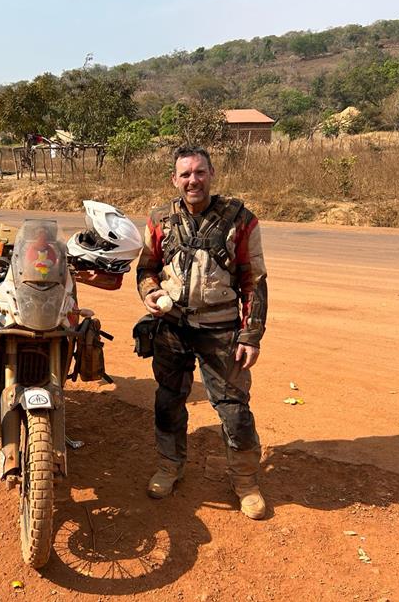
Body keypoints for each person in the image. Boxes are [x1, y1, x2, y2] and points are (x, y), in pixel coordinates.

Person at [135, 146, 268, 519]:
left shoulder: (240, 220)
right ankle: (169, 466)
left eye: (199, 172)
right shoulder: (160, 218)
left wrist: (250, 335)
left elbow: (254, 281)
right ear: (174, 180)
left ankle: (245, 481)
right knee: (168, 401)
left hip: (221, 330)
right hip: (172, 327)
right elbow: (145, 269)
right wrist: (151, 292)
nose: (193, 180)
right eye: (185, 174)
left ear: (211, 174)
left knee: (235, 411)